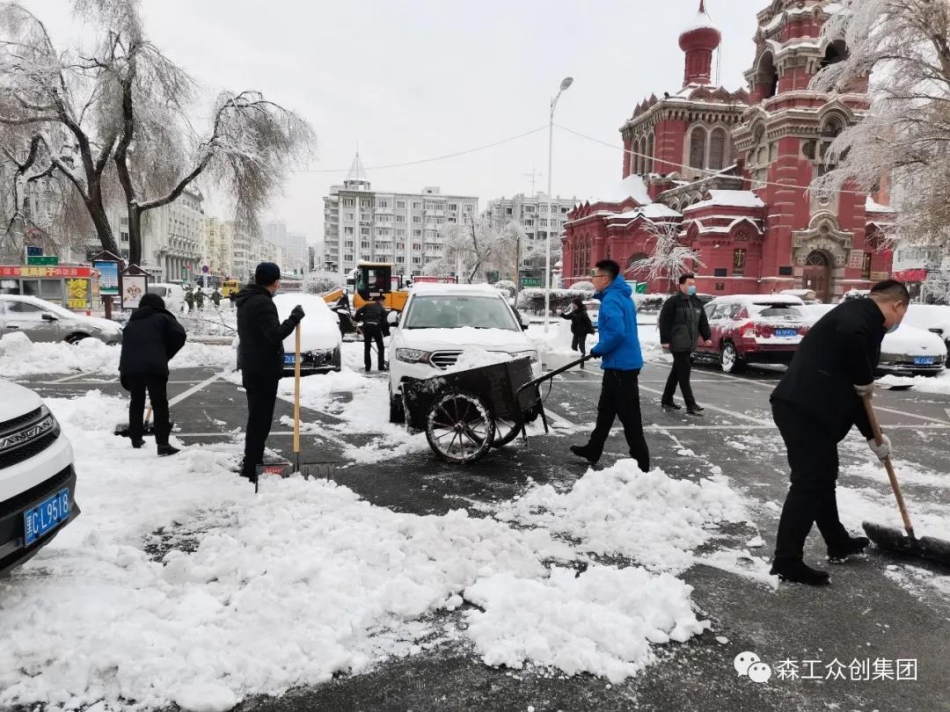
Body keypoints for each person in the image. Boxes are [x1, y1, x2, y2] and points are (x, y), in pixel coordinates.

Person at [769, 280, 910, 586]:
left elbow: (858, 395)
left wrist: (875, 437)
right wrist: (863, 377)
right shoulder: (860, 315)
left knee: (824, 477)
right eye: (902, 314)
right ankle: (786, 561)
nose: (899, 322)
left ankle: (837, 541)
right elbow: (855, 359)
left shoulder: (865, 323)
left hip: (812, 411)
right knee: (810, 483)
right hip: (803, 409)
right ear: (897, 305)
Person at [569, 260, 650, 472]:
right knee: (605, 412)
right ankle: (593, 449)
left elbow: (616, 332)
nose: (592, 280)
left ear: (605, 279)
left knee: (630, 417)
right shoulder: (622, 297)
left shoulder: (612, 300)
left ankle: (642, 462)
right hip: (619, 364)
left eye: (594, 276)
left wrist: (599, 349)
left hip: (621, 368)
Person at [235, 262, 305, 483]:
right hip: (263, 370)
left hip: (252, 367)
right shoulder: (263, 303)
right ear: (275, 282)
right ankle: (251, 465)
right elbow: (274, 335)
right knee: (260, 420)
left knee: (257, 418)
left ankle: (251, 460)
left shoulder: (246, 300)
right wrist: (294, 319)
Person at [118, 293, 187, 456]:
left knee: (137, 401)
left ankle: (136, 438)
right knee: (159, 403)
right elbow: (180, 334)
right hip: (153, 366)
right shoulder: (163, 318)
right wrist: (166, 353)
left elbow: (125, 347)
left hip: (131, 367)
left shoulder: (132, 322)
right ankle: (162, 444)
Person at [658, 274, 712, 415]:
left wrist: (706, 336)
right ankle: (690, 404)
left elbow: (702, 321)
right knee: (684, 372)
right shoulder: (673, 302)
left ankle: (667, 399)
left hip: (689, 342)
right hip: (677, 342)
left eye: (693, 284)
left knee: (677, 372)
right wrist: (665, 340)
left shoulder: (697, 302)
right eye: (689, 284)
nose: (692, 286)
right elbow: (664, 322)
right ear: (681, 285)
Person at [355, 294, 389, 372]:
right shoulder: (382, 309)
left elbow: (358, 311)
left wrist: (357, 320)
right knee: (380, 348)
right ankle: (380, 366)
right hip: (376, 327)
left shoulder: (367, 305)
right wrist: (386, 334)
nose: (384, 302)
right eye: (383, 301)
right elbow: (384, 323)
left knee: (367, 348)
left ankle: (367, 367)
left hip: (367, 327)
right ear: (380, 300)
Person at [560, 297, 595, 367]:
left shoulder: (583, 312)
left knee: (581, 347)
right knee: (573, 347)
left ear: (578, 304)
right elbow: (567, 317)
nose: (573, 306)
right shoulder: (574, 312)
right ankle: (575, 362)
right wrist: (561, 314)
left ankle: (581, 362)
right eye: (573, 305)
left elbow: (588, 322)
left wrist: (591, 330)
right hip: (576, 333)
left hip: (582, 332)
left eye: (574, 304)